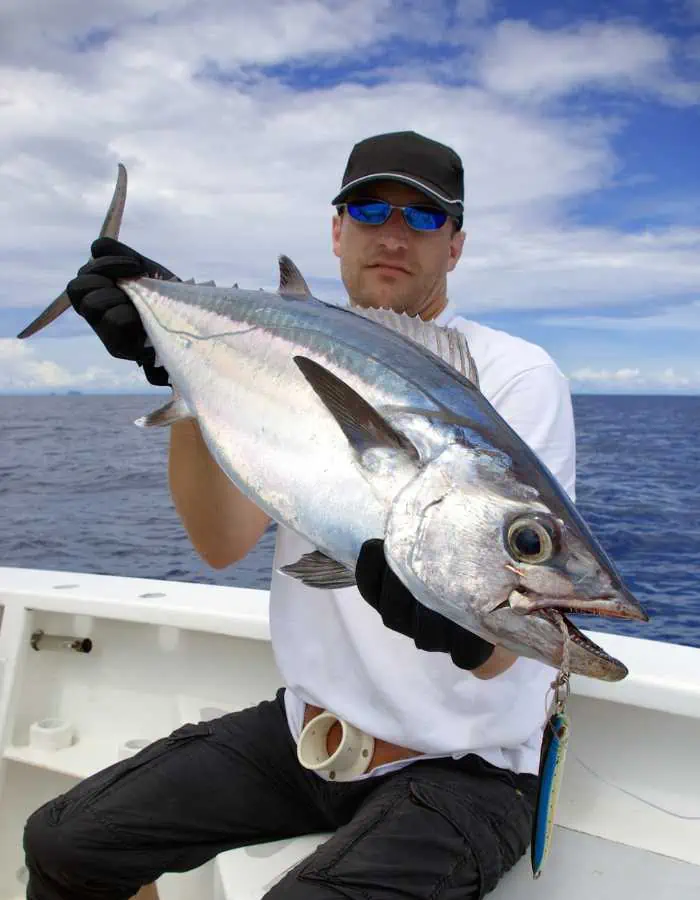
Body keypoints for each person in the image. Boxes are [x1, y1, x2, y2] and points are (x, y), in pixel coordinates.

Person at [23, 131, 577, 900]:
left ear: (454, 246)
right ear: (336, 230)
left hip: (467, 773)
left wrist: (462, 625)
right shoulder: (272, 348)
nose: (392, 233)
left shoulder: (514, 377)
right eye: (370, 207)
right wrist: (177, 367)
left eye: (423, 219)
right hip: (306, 737)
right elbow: (221, 544)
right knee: (63, 842)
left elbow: (506, 641)